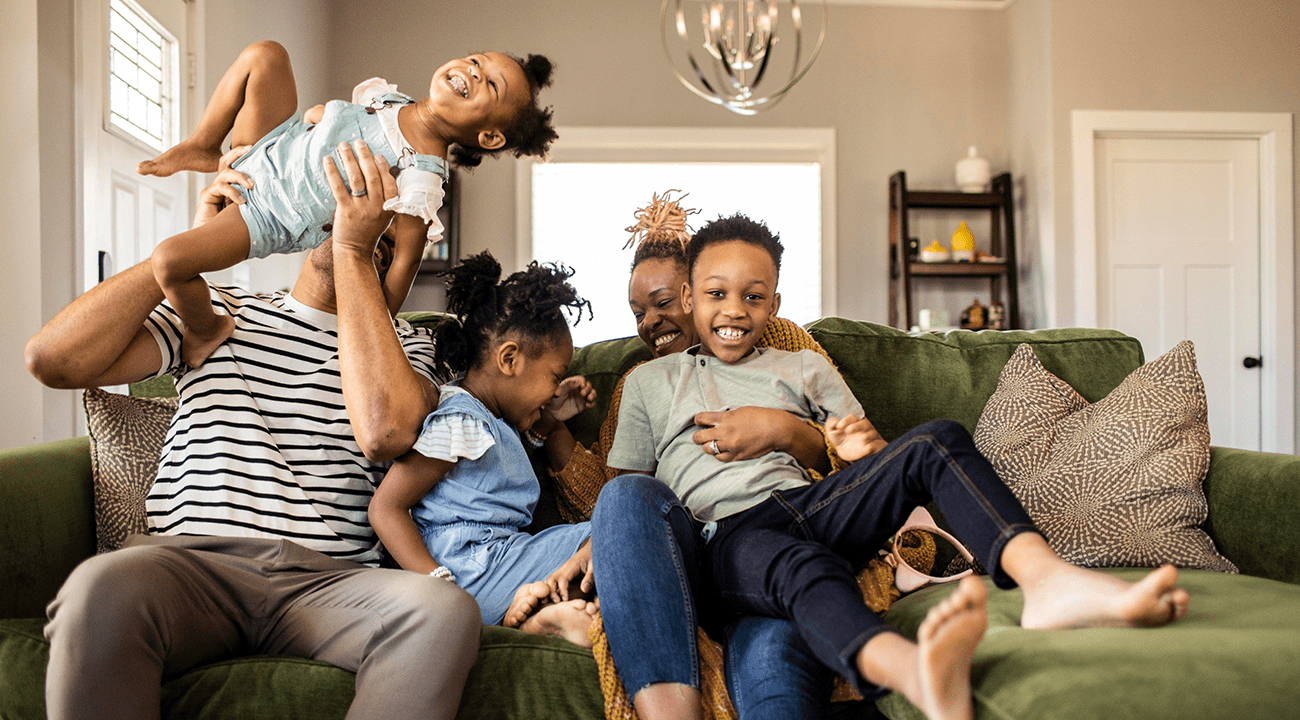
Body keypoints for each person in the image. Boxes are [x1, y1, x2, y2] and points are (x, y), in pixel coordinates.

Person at [602, 213, 1192, 720]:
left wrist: (845, 447)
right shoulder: (651, 382)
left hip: (811, 506)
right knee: (801, 569)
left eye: (753, 296)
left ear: (775, 303)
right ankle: (912, 673)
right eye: (716, 294)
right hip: (725, 536)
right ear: (690, 298)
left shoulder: (803, 367)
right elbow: (628, 502)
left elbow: (869, 453)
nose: (735, 309)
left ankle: (1044, 580)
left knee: (936, 441)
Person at [24, 143, 480, 720]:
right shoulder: (214, 310)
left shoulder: (411, 347)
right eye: (343, 210)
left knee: (442, 611)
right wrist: (192, 249)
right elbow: (52, 360)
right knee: (98, 588)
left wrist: (356, 251)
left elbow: (387, 432)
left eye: (381, 236)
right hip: (192, 568)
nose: (360, 225)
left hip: (330, 584)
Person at [531, 192, 850, 719]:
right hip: (686, 554)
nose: (650, 322)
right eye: (638, 312)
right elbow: (615, 499)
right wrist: (554, 429)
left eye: (663, 303)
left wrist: (782, 430)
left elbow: (849, 444)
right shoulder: (640, 382)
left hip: (776, 539)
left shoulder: (782, 345)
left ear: (696, 291)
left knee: (775, 666)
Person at [136, 40, 558, 366]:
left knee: (168, 261)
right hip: (266, 148)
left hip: (267, 212)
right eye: (476, 60)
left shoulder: (422, 175)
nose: (474, 71)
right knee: (266, 55)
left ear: (490, 137)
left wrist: (374, 327)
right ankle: (203, 144)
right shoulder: (388, 99)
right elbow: (344, 124)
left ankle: (205, 328)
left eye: (492, 84)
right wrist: (322, 117)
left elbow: (407, 258)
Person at [369, 251, 600, 647]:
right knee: (614, 530)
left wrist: (548, 420)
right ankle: (535, 614)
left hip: (496, 563)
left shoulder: (490, 422)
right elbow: (386, 508)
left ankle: (535, 619)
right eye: (554, 376)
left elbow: (495, 473)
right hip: (466, 573)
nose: (554, 390)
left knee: (606, 546)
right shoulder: (461, 419)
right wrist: (439, 588)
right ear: (509, 359)